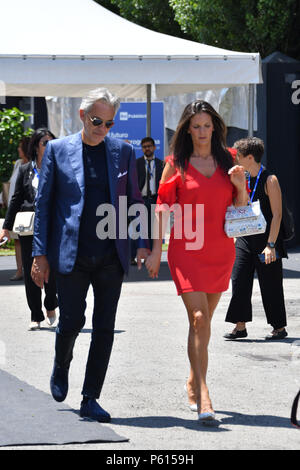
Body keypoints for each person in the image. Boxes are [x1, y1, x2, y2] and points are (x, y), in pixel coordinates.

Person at [30, 88, 150, 423]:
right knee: (71, 321)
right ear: (83, 116)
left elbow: (134, 200)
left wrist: (142, 241)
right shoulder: (57, 150)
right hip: (72, 254)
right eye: (98, 121)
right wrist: (39, 253)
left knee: (105, 327)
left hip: (111, 254)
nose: (103, 129)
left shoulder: (123, 152)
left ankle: (90, 397)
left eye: (110, 123)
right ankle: (61, 362)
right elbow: (44, 206)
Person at [145, 100, 249, 423]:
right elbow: (162, 207)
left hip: (220, 251)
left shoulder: (229, 160)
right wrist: (154, 250)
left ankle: (192, 378)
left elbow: (241, 207)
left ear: (215, 127)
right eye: (196, 126)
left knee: (201, 327)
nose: (203, 132)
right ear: (187, 129)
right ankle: (205, 396)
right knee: (200, 319)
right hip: (186, 251)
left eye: (207, 126)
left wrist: (239, 186)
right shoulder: (175, 163)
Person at [224, 137, 288, 341]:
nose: (236, 159)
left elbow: (277, 215)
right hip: (245, 237)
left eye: (239, 156)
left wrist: (271, 245)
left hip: (267, 239)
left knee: (270, 284)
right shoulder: (242, 177)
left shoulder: (270, 180)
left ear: (250, 157)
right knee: (239, 279)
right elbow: (239, 205)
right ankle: (240, 326)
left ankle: (279, 327)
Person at [0, 129, 58, 330]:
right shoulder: (26, 169)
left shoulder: (60, 168)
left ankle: (51, 303)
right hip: (29, 226)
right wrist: (6, 228)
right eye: (45, 143)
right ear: (36, 147)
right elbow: (15, 199)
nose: (49, 146)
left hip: (52, 227)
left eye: (52, 143)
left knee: (52, 269)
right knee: (30, 268)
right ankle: (36, 314)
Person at [130, 137, 164, 263]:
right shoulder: (136, 163)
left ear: (154, 147)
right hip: (140, 200)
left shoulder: (162, 164)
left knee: (152, 230)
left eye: (149, 146)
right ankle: (132, 256)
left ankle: (150, 256)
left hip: (155, 200)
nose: (147, 148)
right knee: (136, 229)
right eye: (144, 147)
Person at [8, 136, 30, 281]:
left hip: (25, 210)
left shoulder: (33, 165)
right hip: (14, 207)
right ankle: (19, 270)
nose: (18, 149)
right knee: (17, 240)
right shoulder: (18, 164)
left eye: (20, 146)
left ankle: (30, 269)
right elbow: (12, 183)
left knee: (27, 240)